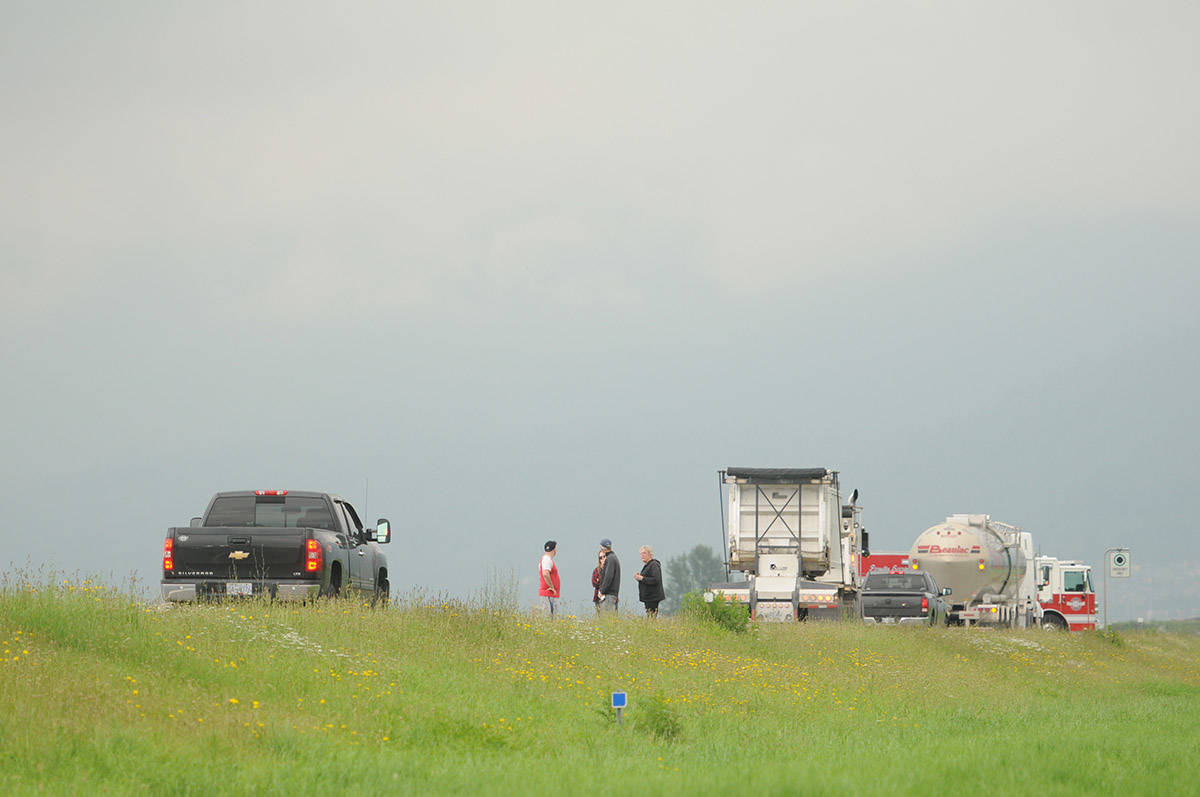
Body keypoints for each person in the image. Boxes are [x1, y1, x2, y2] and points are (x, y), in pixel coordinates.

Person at [634, 545, 666, 617]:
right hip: (648, 597)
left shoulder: (654, 565)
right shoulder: (648, 565)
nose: (642, 555)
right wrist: (640, 578)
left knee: (651, 617)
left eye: (644, 553)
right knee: (650, 616)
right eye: (641, 554)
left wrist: (642, 578)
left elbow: (656, 579)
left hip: (653, 597)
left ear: (650, 554)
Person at [596, 539, 620, 613]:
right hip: (611, 594)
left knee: (606, 618)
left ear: (602, 548)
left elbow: (608, 577)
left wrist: (602, 591)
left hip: (608, 594)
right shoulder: (613, 558)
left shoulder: (610, 559)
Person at [539, 540, 560, 617]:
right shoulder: (547, 560)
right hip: (548, 594)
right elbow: (545, 573)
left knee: (551, 616)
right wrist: (551, 587)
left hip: (549, 594)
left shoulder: (545, 559)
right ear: (554, 550)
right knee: (549, 616)